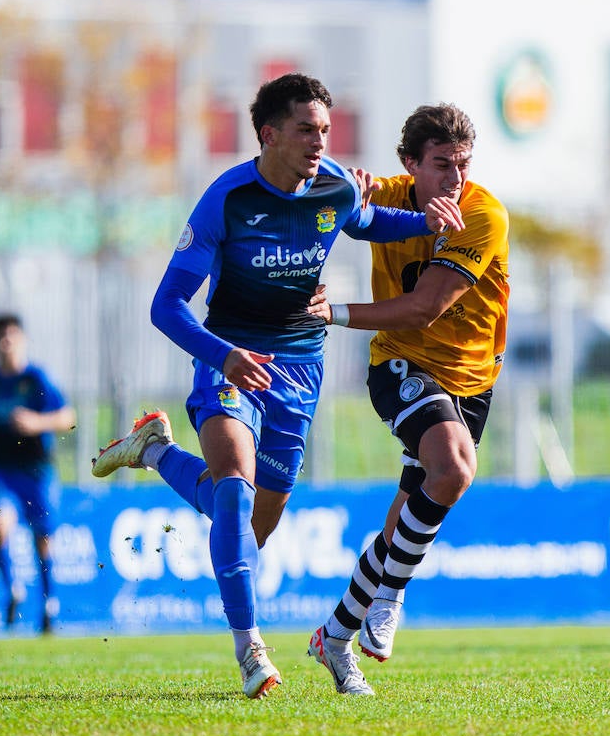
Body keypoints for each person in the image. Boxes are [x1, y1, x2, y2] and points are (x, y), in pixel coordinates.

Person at [90, 73, 464, 699]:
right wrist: (224, 354)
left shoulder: (335, 186)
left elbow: (369, 221)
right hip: (228, 358)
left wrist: (426, 222)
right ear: (268, 134)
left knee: (249, 526)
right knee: (233, 493)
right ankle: (251, 651)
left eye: (324, 130)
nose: (319, 142)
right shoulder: (227, 199)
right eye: (304, 130)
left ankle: (154, 450)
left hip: (298, 368)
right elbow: (166, 306)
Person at [304, 103, 509, 696]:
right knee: (454, 470)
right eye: (441, 165)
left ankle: (334, 640)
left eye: (463, 164)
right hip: (402, 364)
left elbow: (427, 305)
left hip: (472, 381)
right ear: (409, 164)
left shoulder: (482, 214)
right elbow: (319, 186)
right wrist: (347, 189)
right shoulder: (388, 195)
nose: (455, 178)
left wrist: (334, 312)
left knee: (407, 518)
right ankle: (392, 593)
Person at [0, 312, 76, 634]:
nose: (6, 342)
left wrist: (36, 422)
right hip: (1, 469)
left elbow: (68, 417)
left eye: (11, 335)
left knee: (42, 536)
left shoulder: (36, 377)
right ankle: (13, 587)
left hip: (36, 468)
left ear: (21, 338)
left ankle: (48, 602)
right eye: (0, 336)